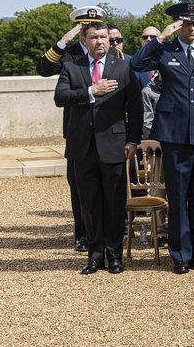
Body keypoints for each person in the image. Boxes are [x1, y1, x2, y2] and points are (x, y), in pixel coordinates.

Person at [130, 1, 194, 274]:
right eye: (186, 23)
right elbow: (137, 64)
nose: (193, 28)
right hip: (174, 134)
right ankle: (180, 254)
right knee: (178, 195)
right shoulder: (166, 50)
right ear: (178, 25)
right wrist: (160, 37)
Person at [54, 22, 143, 275]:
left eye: (103, 37)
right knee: (89, 204)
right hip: (83, 146)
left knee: (114, 203)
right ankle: (94, 256)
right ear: (84, 39)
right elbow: (60, 97)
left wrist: (133, 141)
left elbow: (135, 108)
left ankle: (114, 256)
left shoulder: (124, 67)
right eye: (94, 37)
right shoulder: (72, 67)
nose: (100, 42)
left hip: (114, 144)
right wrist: (91, 91)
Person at [36, 5, 111, 252]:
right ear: (79, 32)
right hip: (79, 128)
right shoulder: (68, 56)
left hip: (107, 128)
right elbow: (44, 70)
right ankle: (83, 234)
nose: (91, 32)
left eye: (94, 26)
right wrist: (62, 42)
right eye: (83, 27)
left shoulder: (108, 51)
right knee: (79, 184)